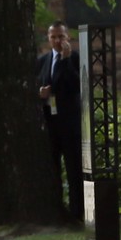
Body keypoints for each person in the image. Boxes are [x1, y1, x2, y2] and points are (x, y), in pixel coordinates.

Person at [36, 21, 84, 222]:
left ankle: (76, 212)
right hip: (50, 121)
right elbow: (38, 82)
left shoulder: (75, 58)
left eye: (61, 37)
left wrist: (65, 60)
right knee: (52, 167)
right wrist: (41, 92)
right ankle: (56, 210)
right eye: (53, 37)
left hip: (70, 122)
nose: (57, 40)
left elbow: (75, 84)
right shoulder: (43, 60)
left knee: (73, 168)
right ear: (48, 38)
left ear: (68, 38)